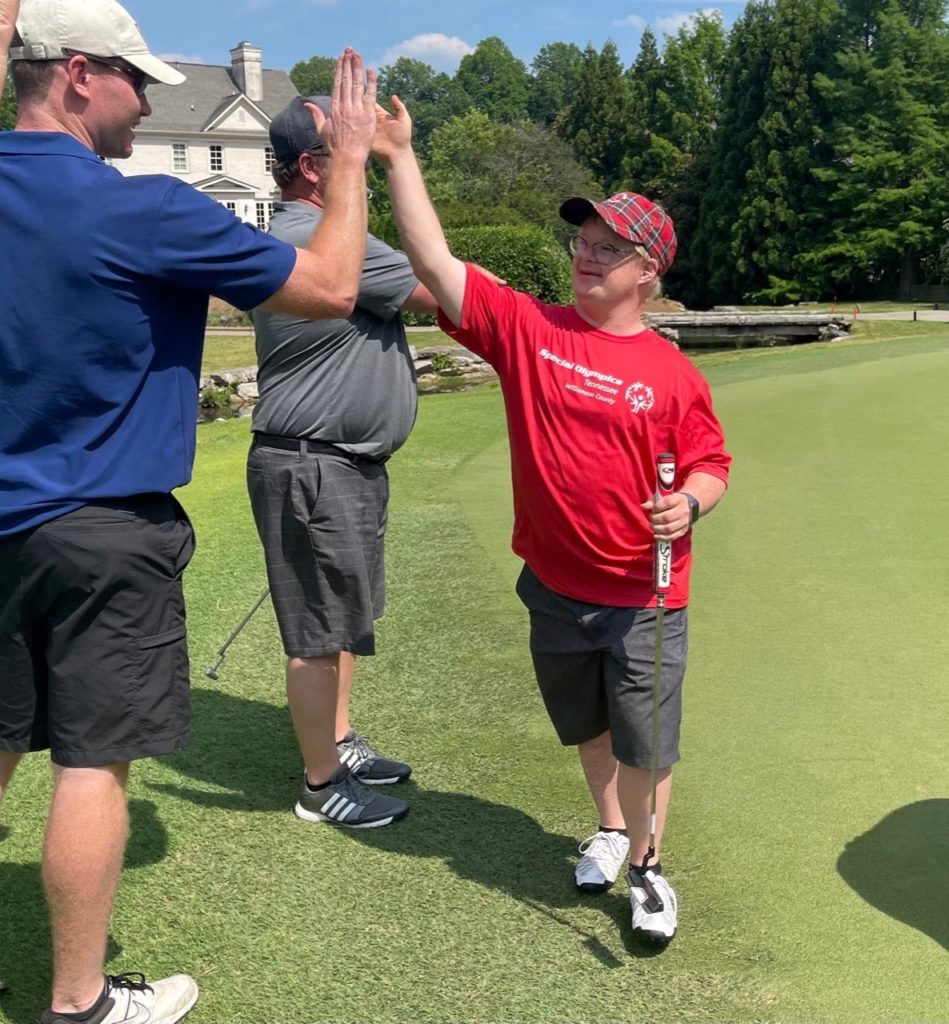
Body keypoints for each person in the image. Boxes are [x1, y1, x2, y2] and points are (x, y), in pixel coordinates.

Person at [0, 0, 379, 1019]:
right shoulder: (144, 209)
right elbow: (335, 284)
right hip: (103, 530)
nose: (145, 101)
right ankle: (80, 1004)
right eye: (132, 78)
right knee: (90, 765)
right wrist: (347, 162)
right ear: (78, 75)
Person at [373, 96, 731, 946]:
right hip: (553, 588)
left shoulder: (671, 373)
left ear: (648, 271)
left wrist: (688, 504)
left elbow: (712, 463)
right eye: (582, 242)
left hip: (645, 596)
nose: (587, 257)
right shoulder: (533, 333)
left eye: (609, 249)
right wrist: (397, 159)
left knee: (646, 741)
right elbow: (436, 259)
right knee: (590, 728)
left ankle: (646, 867)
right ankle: (609, 828)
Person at [247, 95, 438, 829]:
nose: (363, 146)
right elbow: (441, 286)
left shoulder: (316, 234)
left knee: (341, 621)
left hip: (335, 463)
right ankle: (322, 786)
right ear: (310, 167)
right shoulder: (321, 238)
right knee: (319, 636)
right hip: (314, 464)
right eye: (348, 142)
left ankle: (336, 739)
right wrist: (398, 159)